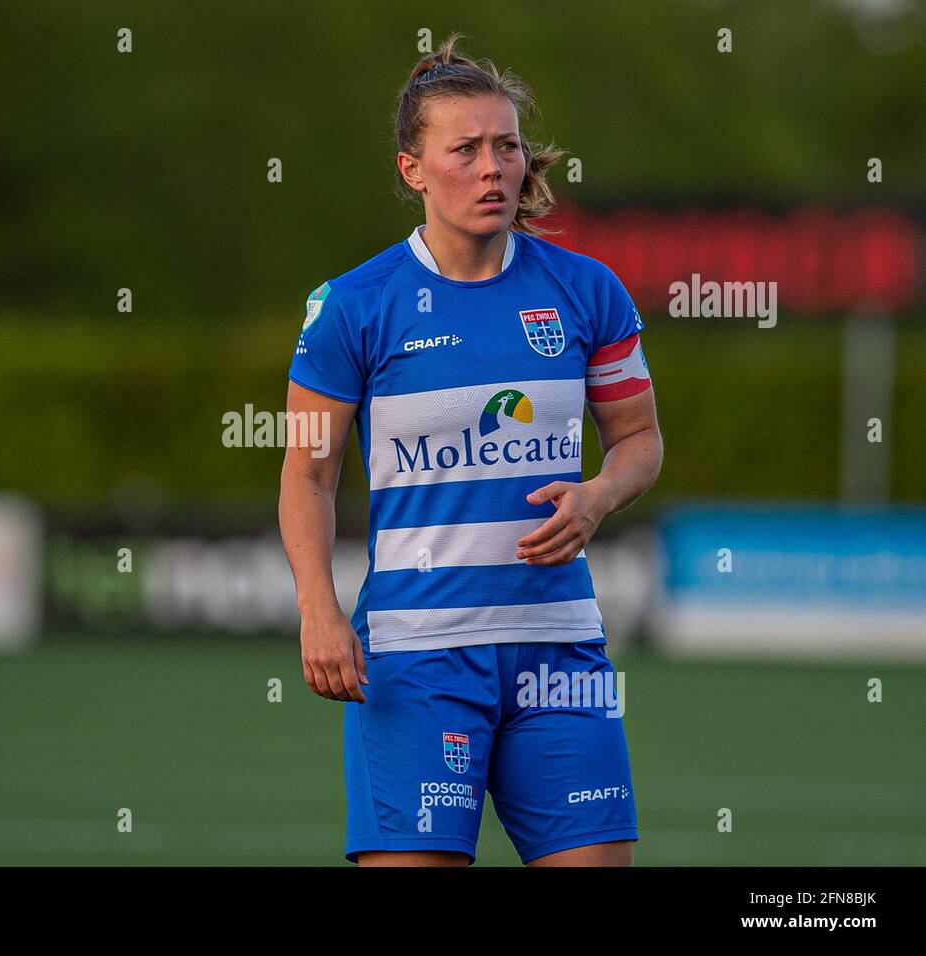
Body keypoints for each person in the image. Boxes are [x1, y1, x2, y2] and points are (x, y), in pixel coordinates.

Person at [278, 33, 663, 867]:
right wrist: (318, 608)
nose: (493, 168)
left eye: (507, 147)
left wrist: (596, 496)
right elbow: (307, 474)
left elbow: (639, 441)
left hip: (561, 654)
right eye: (466, 150)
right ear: (414, 170)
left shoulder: (588, 290)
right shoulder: (348, 308)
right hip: (416, 660)